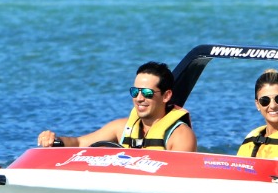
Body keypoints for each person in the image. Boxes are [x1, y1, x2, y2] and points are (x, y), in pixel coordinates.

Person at [36, 61, 197, 151]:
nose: (139, 98)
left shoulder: (180, 136)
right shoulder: (120, 128)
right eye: (135, 92)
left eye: (147, 93)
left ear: (166, 96)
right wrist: (55, 141)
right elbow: (78, 143)